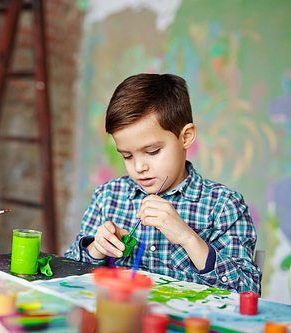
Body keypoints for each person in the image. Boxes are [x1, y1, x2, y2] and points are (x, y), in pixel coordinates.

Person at [65, 73, 261, 293]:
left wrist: (188, 238)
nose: (139, 167)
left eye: (152, 151)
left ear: (185, 137)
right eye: (127, 156)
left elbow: (249, 291)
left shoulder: (225, 206)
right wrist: (96, 249)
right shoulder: (108, 196)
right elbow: (68, 273)